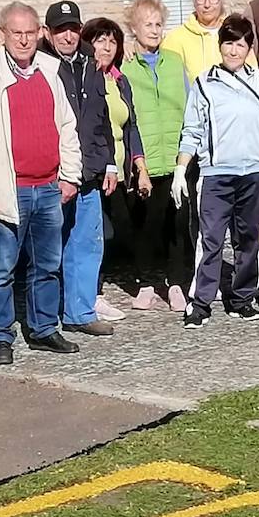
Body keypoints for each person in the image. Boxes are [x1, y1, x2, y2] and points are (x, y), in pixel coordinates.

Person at [0, 2, 82, 365]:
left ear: (40, 33)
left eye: (31, 32)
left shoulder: (50, 70)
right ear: (3, 35)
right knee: (1, 269)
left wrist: (69, 175)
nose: (25, 40)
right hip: (8, 191)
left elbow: (67, 127)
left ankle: (43, 329)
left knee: (47, 264)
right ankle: (0, 336)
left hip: (47, 187)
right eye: (17, 33)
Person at [173, 14, 259, 329]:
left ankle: (242, 299)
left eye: (240, 44)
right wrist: (181, 169)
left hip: (254, 173)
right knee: (210, 240)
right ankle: (200, 304)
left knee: (248, 238)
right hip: (216, 175)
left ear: (248, 47)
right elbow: (192, 131)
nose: (234, 50)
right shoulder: (203, 83)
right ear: (220, 45)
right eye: (229, 43)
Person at [38, 0, 117, 338]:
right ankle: (44, 316)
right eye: (60, 30)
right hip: (53, 174)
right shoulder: (40, 66)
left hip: (90, 172)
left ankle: (80, 312)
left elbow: (101, 119)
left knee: (87, 244)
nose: (68, 36)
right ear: (48, 32)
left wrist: (109, 162)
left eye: (72, 28)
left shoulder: (90, 63)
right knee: (48, 248)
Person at [123, 0, 193, 313]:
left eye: (158, 24)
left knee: (177, 224)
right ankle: (147, 282)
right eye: (146, 24)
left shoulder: (175, 63)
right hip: (145, 161)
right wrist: (138, 164)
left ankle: (176, 283)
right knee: (145, 225)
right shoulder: (124, 68)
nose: (153, 29)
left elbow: (191, 107)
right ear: (133, 29)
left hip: (176, 158)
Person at [83, 17, 152, 322]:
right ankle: (90, 294)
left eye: (112, 41)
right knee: (97, 233)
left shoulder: (118, 79)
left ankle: (97, 290)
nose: (106, 46)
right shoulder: (84, 78)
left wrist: (141, 166)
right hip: (95, 170)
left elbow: (131, 125)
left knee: (116, 231)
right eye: (100, 40)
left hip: (120, 172)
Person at [164, 0, 255, 81]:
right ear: (194, 2)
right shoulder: (176, 38)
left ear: (221, 0)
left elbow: (252, 72)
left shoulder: (236, 32)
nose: (207, 5)